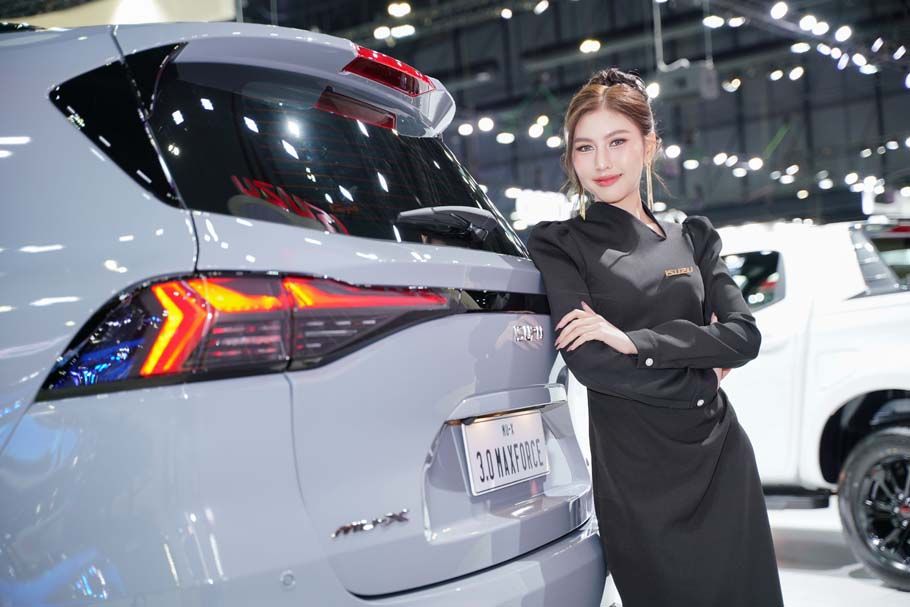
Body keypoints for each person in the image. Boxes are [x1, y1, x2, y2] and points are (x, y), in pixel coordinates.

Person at [526, 68, 784, 607]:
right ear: (570, 158)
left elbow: (744, 336)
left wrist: (638, 343)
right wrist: (699, 374)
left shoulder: (694, 238)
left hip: (720, 460)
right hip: (637, 481)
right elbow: (592, 363)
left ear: (648, 145)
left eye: (617, 142)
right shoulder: (561, 244)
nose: (602, 163)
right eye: (585, 147)